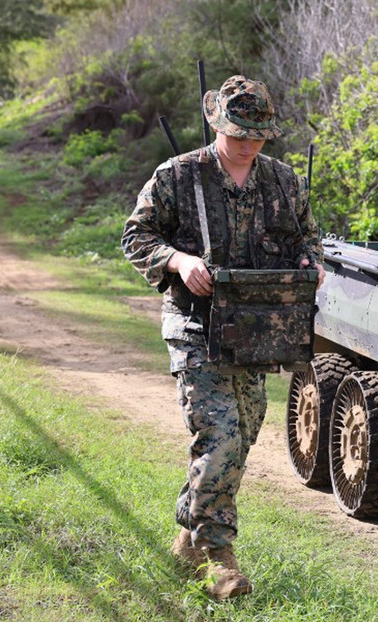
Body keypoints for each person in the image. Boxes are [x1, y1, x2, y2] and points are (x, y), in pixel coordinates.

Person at [121, 75, 324, 601]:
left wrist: (310, 265)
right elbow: (135, 236)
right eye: (238, 135)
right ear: (216, 125)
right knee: (222, 439)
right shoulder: (178, 175)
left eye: (258, 136)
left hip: (255, 333)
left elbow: (308, 238)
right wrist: (178, 260)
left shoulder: (282, 180)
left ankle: (188, 536)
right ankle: (220, 561)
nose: (248, 145)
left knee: (243, 435)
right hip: (194, 326)